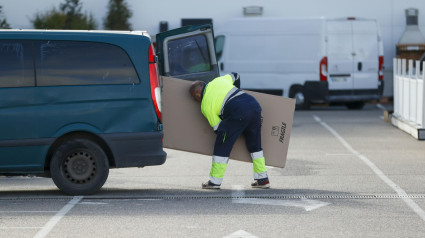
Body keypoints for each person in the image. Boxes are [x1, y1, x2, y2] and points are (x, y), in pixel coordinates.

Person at [189, 73, 270, 189]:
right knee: (255, 146)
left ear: (197, 94)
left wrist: (234, 130)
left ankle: (214, 182)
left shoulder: (205, 106)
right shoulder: (217, 80)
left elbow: (218, 129)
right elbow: (236, 75)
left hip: (238, 113)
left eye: (193, 96)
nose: (194, 99)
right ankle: (262, 179)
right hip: (253, 106)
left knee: (221, 145)